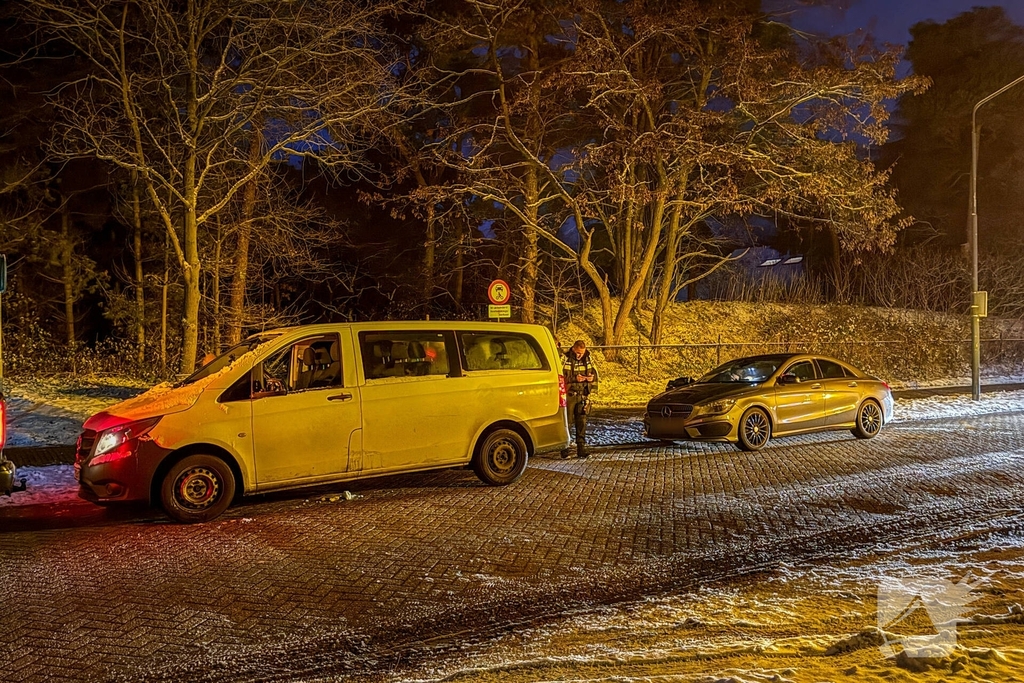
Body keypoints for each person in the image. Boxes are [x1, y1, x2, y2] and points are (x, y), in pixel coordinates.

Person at [561, 339, 598, 459]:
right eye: (577, 353)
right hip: (569, 395)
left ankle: (581, 449)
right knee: (567, 422)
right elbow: (560, 376)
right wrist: (575, 378)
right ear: (573, 349)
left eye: (581, 353)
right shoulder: (565, 358)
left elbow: (596, 373)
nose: (579, 355)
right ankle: (564, 449)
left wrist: (591, 378)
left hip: (582, 394)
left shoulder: (588, 359)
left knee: (581, 422)